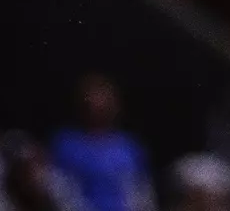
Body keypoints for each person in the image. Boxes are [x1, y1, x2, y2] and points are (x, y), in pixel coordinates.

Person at [49, 75, 155, 211]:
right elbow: (60, 191)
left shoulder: (129, 146)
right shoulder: (66, 145)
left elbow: (142, 190)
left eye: (103, 99)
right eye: (92, 99)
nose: (98, 105)